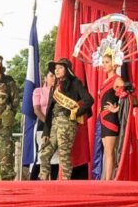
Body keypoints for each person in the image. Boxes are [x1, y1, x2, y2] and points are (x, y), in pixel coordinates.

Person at [39, 58, 94, 180]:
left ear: (67, 70)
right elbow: (49, 110)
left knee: (64, 154)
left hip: (67, 123)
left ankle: (66, 182)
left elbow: (89, 100)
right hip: (54, 123)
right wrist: (46, 132)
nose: (56, 70)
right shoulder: (55, 86)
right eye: (56, 68)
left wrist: (75, 113)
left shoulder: (75, 83)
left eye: (60, 68)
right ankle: (42, 180)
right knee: (44, 153)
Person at [95, 51, 120, 180]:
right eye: (103, 62)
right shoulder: (106, 80)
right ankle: (109, 178)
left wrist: (116, 109)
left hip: (111, 119)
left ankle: (108, 181)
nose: (104, 65)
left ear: (114, 64)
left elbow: (129, 94)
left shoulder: (117, 79)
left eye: (107, 62)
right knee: (107, 151)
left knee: (109, 151)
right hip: (103, 118)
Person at [30, 71, 59, 180]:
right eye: (51, 76)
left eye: (55, 76)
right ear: (45, 78)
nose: (54, 78)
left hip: (57, 125)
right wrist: (48, 123)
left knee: (55, 157)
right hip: (43, 126)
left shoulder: (59, 91)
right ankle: (33, 181)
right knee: (42, 154)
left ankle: (54, 185)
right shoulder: (38, 91)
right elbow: (36, 109)